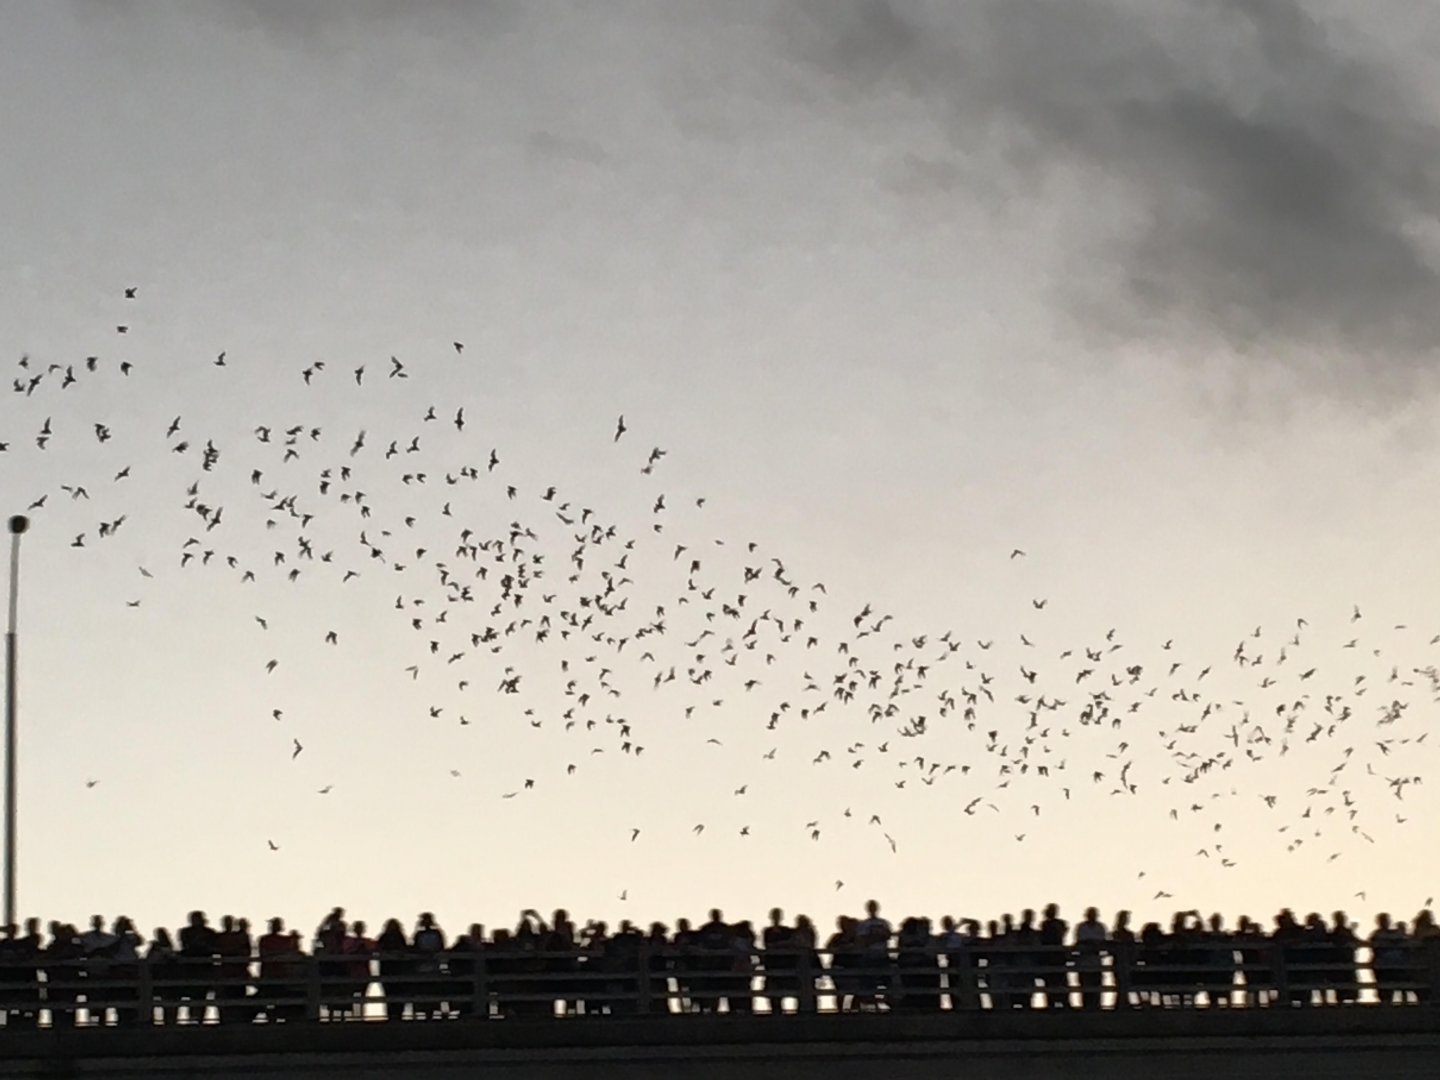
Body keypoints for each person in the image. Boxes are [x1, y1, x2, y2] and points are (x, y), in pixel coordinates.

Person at [178, 910, 218, 1024]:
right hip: (191, 968)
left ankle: (200, 1018)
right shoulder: (185, 932)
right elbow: (185, 946)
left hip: (205, 968)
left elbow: (214, 947)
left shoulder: (210, 932)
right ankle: (192, 1018)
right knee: (191, 993)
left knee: (203, 994)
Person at [855, 900, 893, 1011]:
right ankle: (870, 1005)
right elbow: (862, 940)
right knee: (869, 982)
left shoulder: (884, 922)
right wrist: (877, 937)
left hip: (883, 956)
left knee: (888, 981)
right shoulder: (863, 924)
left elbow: (887, 935)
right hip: (869, 957)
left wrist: (872, 938)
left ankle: (889, 1002)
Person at [214, 915, 253, 1024]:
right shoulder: (219, 937)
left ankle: (239, 1020)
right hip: (225, 974)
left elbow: (246, 953)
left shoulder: (240, 937)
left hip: (237, 973)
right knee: (224, 1000)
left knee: (238, 998)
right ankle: (224, 1021)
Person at [412, 913, 447, 1019]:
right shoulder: (419, 934)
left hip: (433, 966)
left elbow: (441, 947)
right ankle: (426, 1012)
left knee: (434, 990)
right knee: (425, 990)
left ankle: (433, 1011)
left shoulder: (436, 933)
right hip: (423, 967)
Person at [375, 919, 411, 1021]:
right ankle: (391, 1015)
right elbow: (378, 949)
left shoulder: (400, 937)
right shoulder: (384, 937)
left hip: (398, 969)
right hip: (387, 969)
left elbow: (404, 950)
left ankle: (398, 1014)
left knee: (399, 992)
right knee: (389, 993)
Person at [147, 927, 182, 1025]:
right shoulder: (155, 947)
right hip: (159, 975)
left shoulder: (170, 948)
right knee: (162, 999)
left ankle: (172, 1020)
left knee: (170, 1000)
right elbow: (149, 960)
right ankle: (164, 1020)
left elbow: (174, 959)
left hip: (169, 975)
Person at [1074, 908, 1107, 1010]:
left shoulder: (1101, 927)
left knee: (1097, 986)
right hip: (1084, 961)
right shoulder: (1081, 927)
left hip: (1096, 961)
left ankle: (1097, 1007)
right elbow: (1080, 941)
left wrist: (1092, 944)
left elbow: (1102, 943)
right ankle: (1085, 1007)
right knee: (1085, 986)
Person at [1038, 904, 1069, 1008]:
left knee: (1059, 981)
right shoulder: (1046, 924)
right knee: (1052, 982)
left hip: (1056, 957)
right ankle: (1052, 1004)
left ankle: (1063, 1003)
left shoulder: (1054, 924)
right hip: (1050, 957)